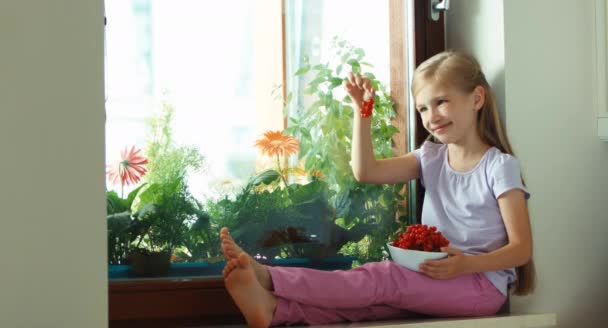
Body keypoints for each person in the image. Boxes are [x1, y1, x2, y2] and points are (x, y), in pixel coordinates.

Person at [219, 50, 535, 327]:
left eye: (441, 102)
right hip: (440, 278)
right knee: (374, 306)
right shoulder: (431, 157)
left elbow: (521, 249)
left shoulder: (499, 166)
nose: (431, 116)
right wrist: (363, 112)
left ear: (476, 99)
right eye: (423, 108)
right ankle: (275, 311)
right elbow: (366, 171)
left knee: (385, 277)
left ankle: (271, 278)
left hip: (480, 287)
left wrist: (467, 264)